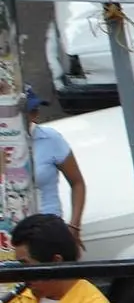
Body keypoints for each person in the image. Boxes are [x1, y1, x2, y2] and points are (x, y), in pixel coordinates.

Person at [24, 86, 86, 239]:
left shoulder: (50, 139)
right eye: (30, 110)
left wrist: (74, 226)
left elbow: (77, 183)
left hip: (49, 231)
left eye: (35, 109)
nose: (36, 114)